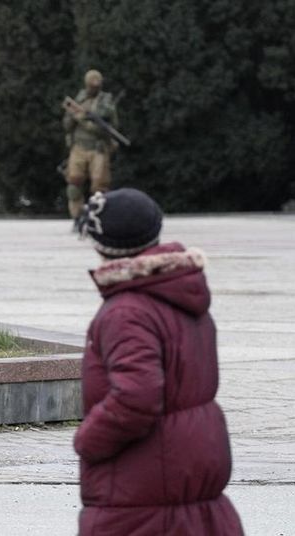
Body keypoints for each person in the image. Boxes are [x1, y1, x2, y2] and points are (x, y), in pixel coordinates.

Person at [74, 188, 244, 535]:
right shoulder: (180, 290)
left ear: (100, 245)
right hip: (188, 485)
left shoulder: (127, 311)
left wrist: (87, 441)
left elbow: (137, 397)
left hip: (140, 491)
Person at [62, 69, 119, 229]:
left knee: (99, 189)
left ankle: (99, 218)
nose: (93, 89)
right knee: (74, 185)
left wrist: (85, 122)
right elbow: (66, 126)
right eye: (90, 86)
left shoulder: (106, 103)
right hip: (79, 147)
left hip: (98, 148)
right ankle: (77, 217)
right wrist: (74, 116)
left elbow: (108, 128)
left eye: (96, 86)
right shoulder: (79, 100)